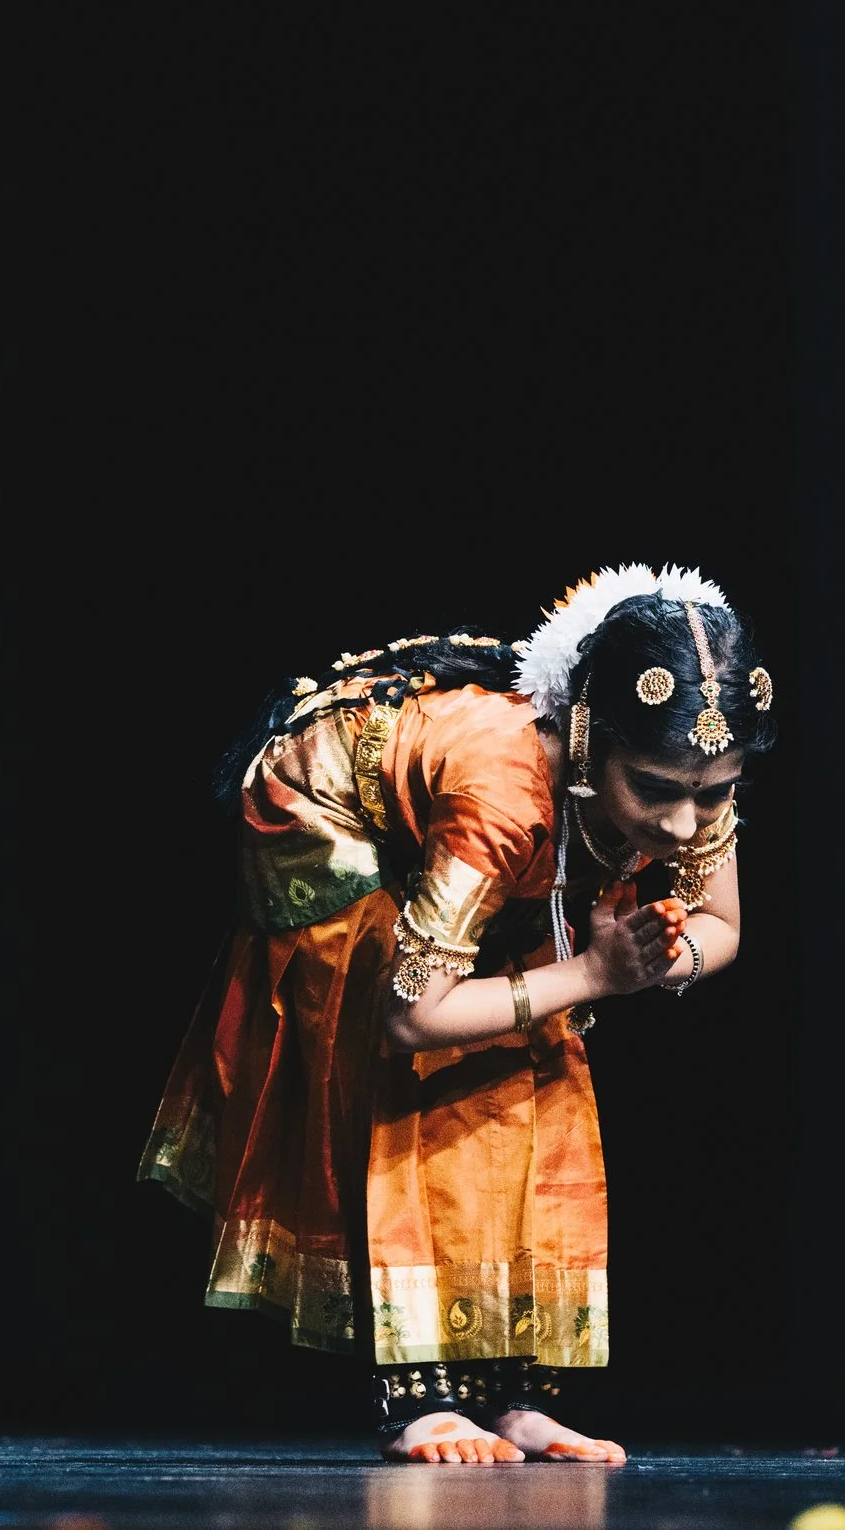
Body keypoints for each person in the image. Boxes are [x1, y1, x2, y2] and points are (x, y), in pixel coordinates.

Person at [139, 565, 777, 1464]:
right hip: (326, 815)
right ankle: (418, 1397)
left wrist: (650, 961)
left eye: (712, 792)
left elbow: (723, 927)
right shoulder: (502, 793)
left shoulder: (690, 769)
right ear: (587, 736)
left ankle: (515, 1395)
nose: (682, 823)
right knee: (428, 1071)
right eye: (656, 788)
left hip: (471, 846)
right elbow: (411, 1017)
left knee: (544, 1064)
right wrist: (593, 973)